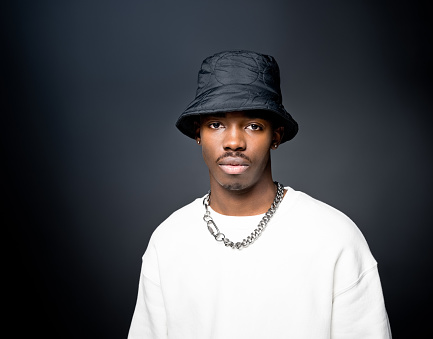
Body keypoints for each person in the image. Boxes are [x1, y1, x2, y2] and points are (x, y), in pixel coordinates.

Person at [128, 50, 392, 338]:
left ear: (275, 137)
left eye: (253, 126)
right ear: (198, 133)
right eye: (216, 124)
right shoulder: (168, 240)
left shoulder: (335, 237)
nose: (233, 142)